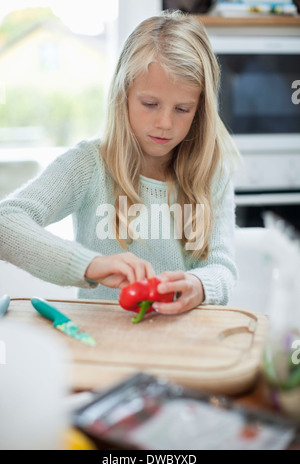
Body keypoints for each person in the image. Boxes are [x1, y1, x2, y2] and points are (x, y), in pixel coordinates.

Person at [0, 10, 240, 315]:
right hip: (100, 345)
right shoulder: (89, 165)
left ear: (201, 110)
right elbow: (5, 220)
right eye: (150, 104)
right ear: (123, 94)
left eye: (183, 108)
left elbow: (222, 268)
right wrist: (89, 264)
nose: (165, 122)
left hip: (182, 345)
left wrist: (200, 284)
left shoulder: (212, 173)